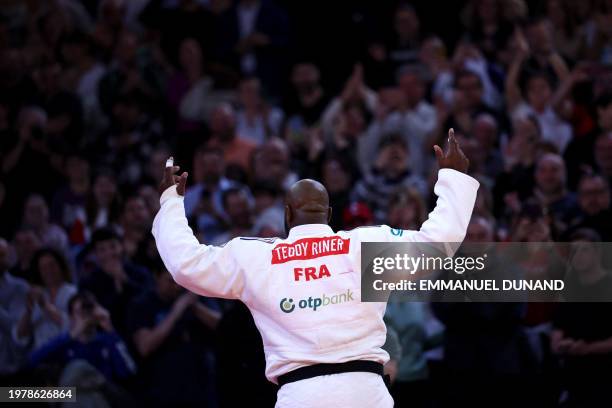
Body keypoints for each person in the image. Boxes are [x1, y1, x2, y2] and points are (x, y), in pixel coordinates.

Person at [152, 129, 479, 407]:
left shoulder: (256, 257)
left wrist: (170, 203)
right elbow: (438, 243)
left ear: (287, 215)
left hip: (301, 395)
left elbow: (185, 265)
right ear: (328, 214)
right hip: (365, 393)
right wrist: (454, 180)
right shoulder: (364, 245)